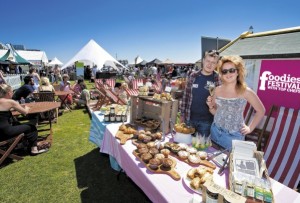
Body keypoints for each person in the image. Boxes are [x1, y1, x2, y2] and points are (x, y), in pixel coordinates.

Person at [207, 55, 265, 150]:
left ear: (238, 71)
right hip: (215, 131)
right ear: (221, 74)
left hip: (233, 137)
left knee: (229, 164)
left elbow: (261, 110)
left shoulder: (246, 91)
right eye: (224, 71)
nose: (228, 74)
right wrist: (210, 107)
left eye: (232, 70)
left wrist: (250, 128)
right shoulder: (216, 90)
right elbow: (215, 112)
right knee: (213, 163)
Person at [180, 50, 221, 137]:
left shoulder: (217, 79)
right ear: (203, 60)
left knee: (202, 148)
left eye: (213, 62)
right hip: (189, 119)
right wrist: (182, 115)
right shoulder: (193, 76)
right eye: (208, 61)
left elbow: (220, 100)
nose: (209, 64)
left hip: (207, 122)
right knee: (186, 145)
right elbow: (185, 96)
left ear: (217, 64)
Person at [0, 84, 48, 155]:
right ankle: (34, 149)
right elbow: (25, 112)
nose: (13, 93)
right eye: (12, 91)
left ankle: (22, 144)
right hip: (5, 132)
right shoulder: (10, 102)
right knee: (31, 127)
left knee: (17, 124)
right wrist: (26, 108)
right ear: (9, 93)